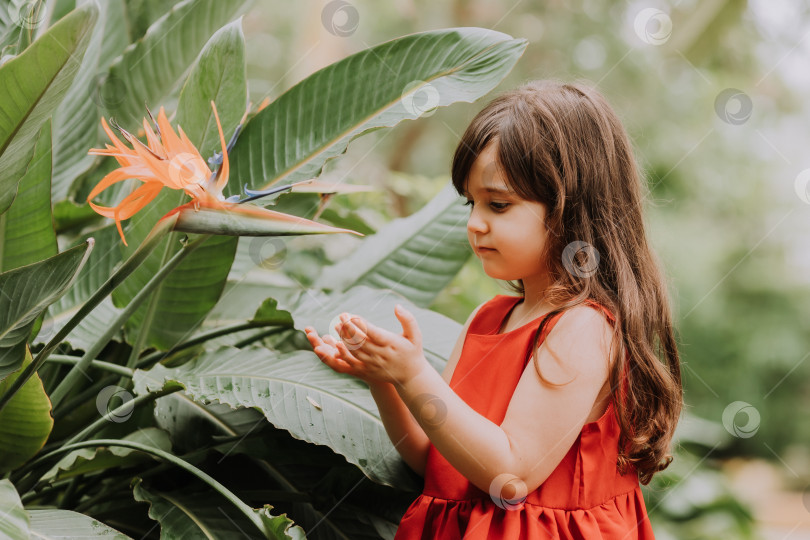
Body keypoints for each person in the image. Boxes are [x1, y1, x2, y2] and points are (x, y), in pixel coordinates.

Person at [304, 79, 683, 539]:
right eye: (471, 203)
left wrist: (414, 374)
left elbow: (511, 473)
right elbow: (437, 458)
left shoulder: (583, 328)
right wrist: (386, 380)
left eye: (498, 205)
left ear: (573, 208)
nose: (473, 223)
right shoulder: (488, 319)